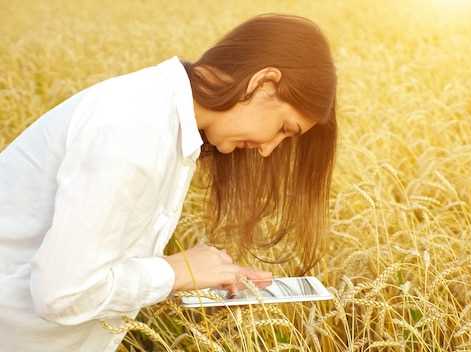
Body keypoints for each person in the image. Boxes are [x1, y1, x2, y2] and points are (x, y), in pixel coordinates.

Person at [0, 13, 337, 351]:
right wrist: (175, 271)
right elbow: (63, 294)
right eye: (283, 129)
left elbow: (96, 267)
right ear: (263, 83)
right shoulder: (134, 131)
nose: (267, 150)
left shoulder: (169, 125)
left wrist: (190, 273)